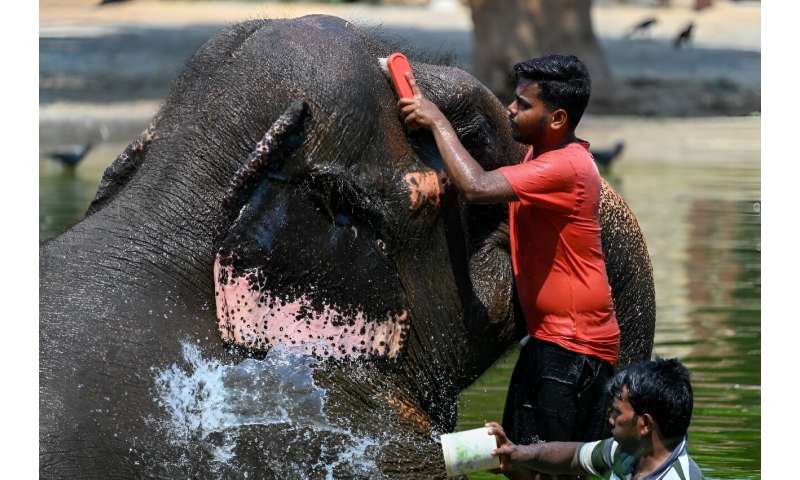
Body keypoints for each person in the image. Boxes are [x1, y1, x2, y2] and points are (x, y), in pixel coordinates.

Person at [398, 55, 619, 450]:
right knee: (515, 457)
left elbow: (478, 186)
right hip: (547, 338)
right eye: (513, 99)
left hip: (575, 346)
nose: (510, 110)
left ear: (557, 119)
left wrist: (437, 121)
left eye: (523, 104)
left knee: (549, 466)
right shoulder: (540, 152)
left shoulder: (566, 166)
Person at [485, 358, 704, 479]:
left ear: (644, 424)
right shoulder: (628, 453)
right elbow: (573, 457)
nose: (610, 419)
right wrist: (517, 454)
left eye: (617, 413)